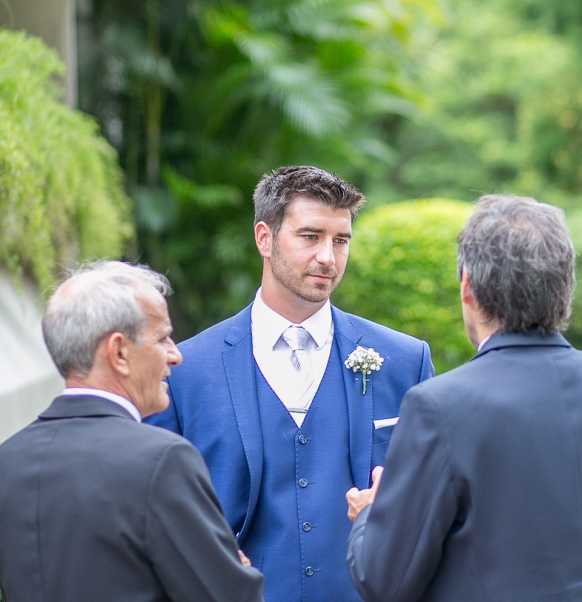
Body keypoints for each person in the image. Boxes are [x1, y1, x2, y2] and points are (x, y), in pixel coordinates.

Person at [345, 194, 582, 602]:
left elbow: (384, 580)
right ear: (565, 285)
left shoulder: (439, 406)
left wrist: (370, 513)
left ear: (467, 286)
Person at [147, 165, 434, 602]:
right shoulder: (186, 371)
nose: (328, 257)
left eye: (341, 240)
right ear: (264, 238)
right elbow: (158, 515)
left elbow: (433, 500)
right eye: (310, 236)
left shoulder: (405, 361)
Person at [0, 261, 264, 602]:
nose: (175, 355)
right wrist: (235, 568)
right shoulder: (162, 461)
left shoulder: (2, 464)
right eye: (162, 338)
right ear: (118, 353)